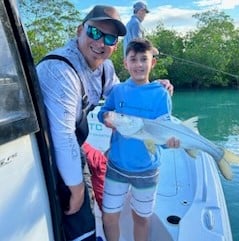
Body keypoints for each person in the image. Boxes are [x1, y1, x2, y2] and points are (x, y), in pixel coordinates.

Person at [36, 5, 173, 241]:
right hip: (44, 150)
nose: (100, 43)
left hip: (73, 147)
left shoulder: (104, 68)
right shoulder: (61, 70)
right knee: (82, 226)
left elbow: (118, 94)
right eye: (95, 33)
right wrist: (77, 187)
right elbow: (63, 136)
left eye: (109, 38)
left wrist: (151, 87)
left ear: (115, 46)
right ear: (80, 30)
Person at [97, 38, 179, 241]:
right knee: (109, 217)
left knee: (142, 219)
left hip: (148, 170)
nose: (139, 64)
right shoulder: (118, 91)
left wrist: (170, 144)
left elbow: (164, 130)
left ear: (153, 63)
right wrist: (106, 117)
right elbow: (104, 111)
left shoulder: (161, 94)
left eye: (144, 59)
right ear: (125, 63)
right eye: (133, 59)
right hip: (116, 167)